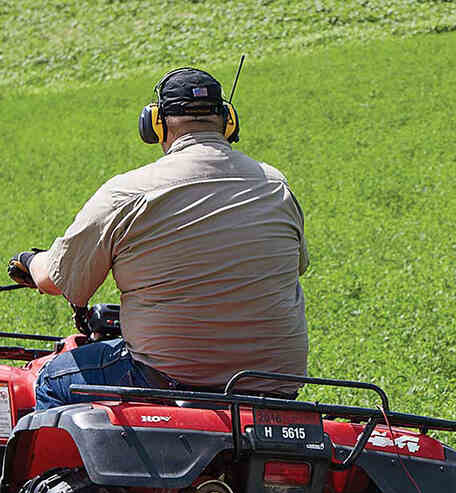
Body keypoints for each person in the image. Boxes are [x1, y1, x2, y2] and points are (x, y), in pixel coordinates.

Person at [8, 66, 309, 410]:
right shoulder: (276, 185)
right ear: (228, 120)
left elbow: (56, 280)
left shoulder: (128, 192)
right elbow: (297, 267)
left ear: (155, 123)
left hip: (170, 377)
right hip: (279, 386)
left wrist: (31, 261)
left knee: (51, 381)